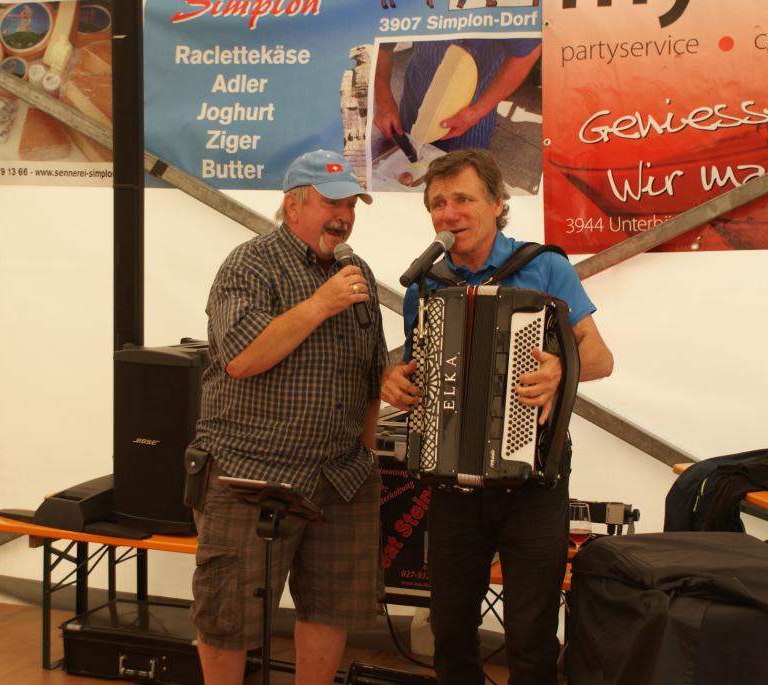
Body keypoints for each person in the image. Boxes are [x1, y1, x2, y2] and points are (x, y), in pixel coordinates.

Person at [380, 149, 613, 684]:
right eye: (437, 203)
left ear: (497, 204)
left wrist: (562, 369)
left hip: (531, 484)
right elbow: (419, 370)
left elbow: (600, 357)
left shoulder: (544, 266)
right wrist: (395, 381)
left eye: (462, 199)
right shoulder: (425, 285)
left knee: (531, 636)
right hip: (451, 484)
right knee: (450, 632)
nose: (448, 213)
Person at [190, 150, 387, 685]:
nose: (343, 216)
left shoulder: (357, 273)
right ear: (293, 205)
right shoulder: (250, 264)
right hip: (251, 474)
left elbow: (372, 376)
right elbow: (240, 357)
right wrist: (321, 304)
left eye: (351, 205)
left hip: (341, 479)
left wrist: (366, 454)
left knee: (329, 609)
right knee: (228, 615)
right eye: (331, 203)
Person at [373, 38, 541, 152]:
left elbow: (528, 51)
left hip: (474, 110)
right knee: (407, 167)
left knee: (462, 178)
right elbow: (380, 40)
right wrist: (383, 98)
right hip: (417, 96)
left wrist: (478, 111)